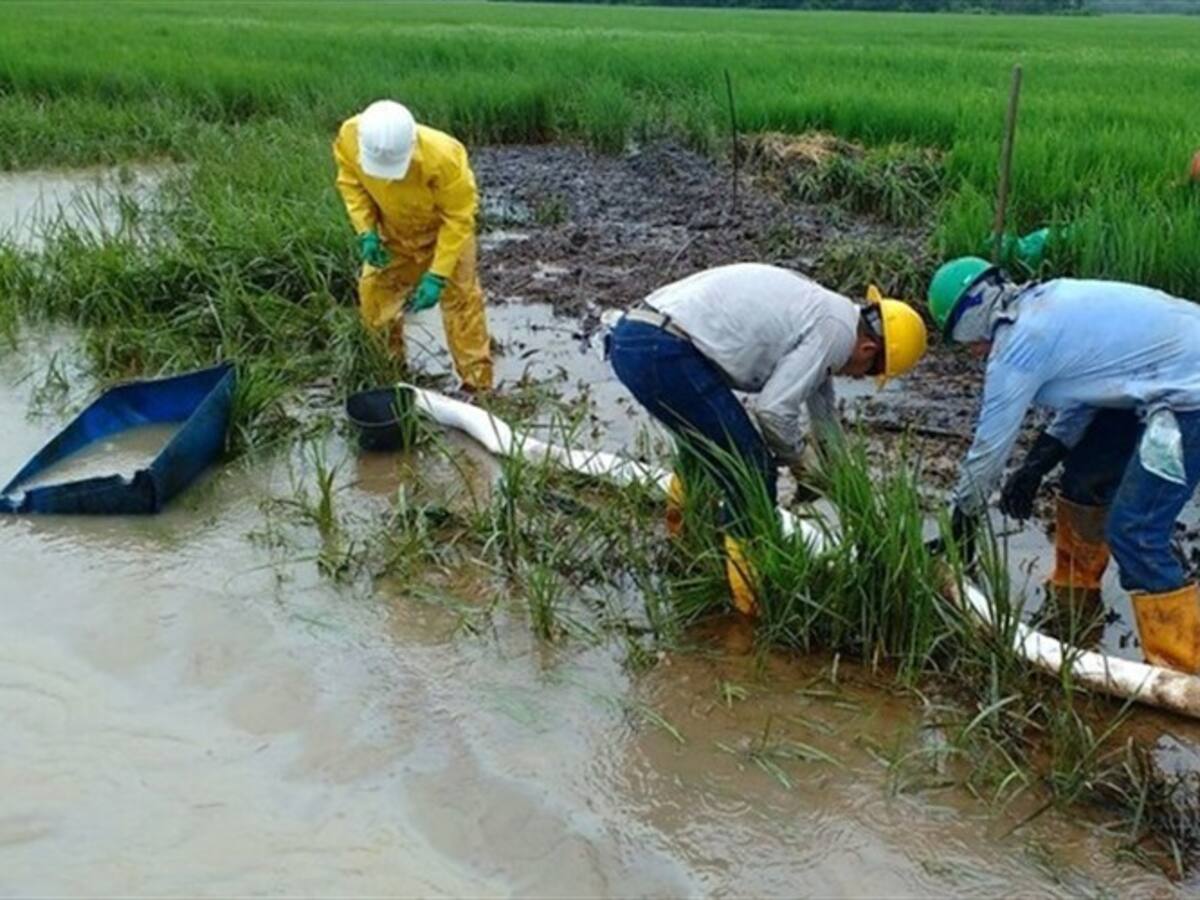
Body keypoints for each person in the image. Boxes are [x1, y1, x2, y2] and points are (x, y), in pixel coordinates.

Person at [928, 256, 1200, 672]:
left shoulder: (1018, 344)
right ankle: (1074, 603)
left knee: (1136, 529)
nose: (973, 353)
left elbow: (989, 449)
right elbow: (1094, 389)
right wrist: (1036, 465)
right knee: (1084, 480)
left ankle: (1181, 670)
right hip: (1158, 380)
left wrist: (961, 521)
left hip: (1188, 397)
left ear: (969, 321)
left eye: (964, 342)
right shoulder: (1046, 304)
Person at [608, 263, 928, 615]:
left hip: (638, 336)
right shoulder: (834, 332)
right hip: (661, 349)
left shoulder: (832, 316)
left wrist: (842, 482)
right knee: (752, 469)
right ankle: (748, 609)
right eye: (867, 374)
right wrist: (797, 460)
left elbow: (824, 417)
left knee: (706, 449)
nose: (857, 378)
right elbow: (774, 411)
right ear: (867, 350)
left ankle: (683, 553)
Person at [333, 100, 492, 392]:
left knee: (461, 303)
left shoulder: (444, 156)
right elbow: (351, 184)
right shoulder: (350, 136)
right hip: (393, 231)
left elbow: (458, 218)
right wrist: (366, 231)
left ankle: (477, 385)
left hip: (446, 235)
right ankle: (389, 372)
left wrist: (438, 274)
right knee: (375, 293)